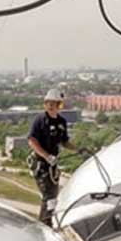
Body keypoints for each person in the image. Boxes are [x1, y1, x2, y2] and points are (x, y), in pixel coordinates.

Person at [28, 88, 79, 225]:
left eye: (55, 104)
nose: (51, 106)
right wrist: (46, 156)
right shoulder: (40, 120)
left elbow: (64, 142)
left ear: (59, 105)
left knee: (53, 196)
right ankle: (45, 225)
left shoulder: (61, 122)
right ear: (45, 104)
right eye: (48, 103)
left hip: (52, 165)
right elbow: (32, 141)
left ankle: (47, 222)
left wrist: (78, 149)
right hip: (41, 163)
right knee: (49, 196)